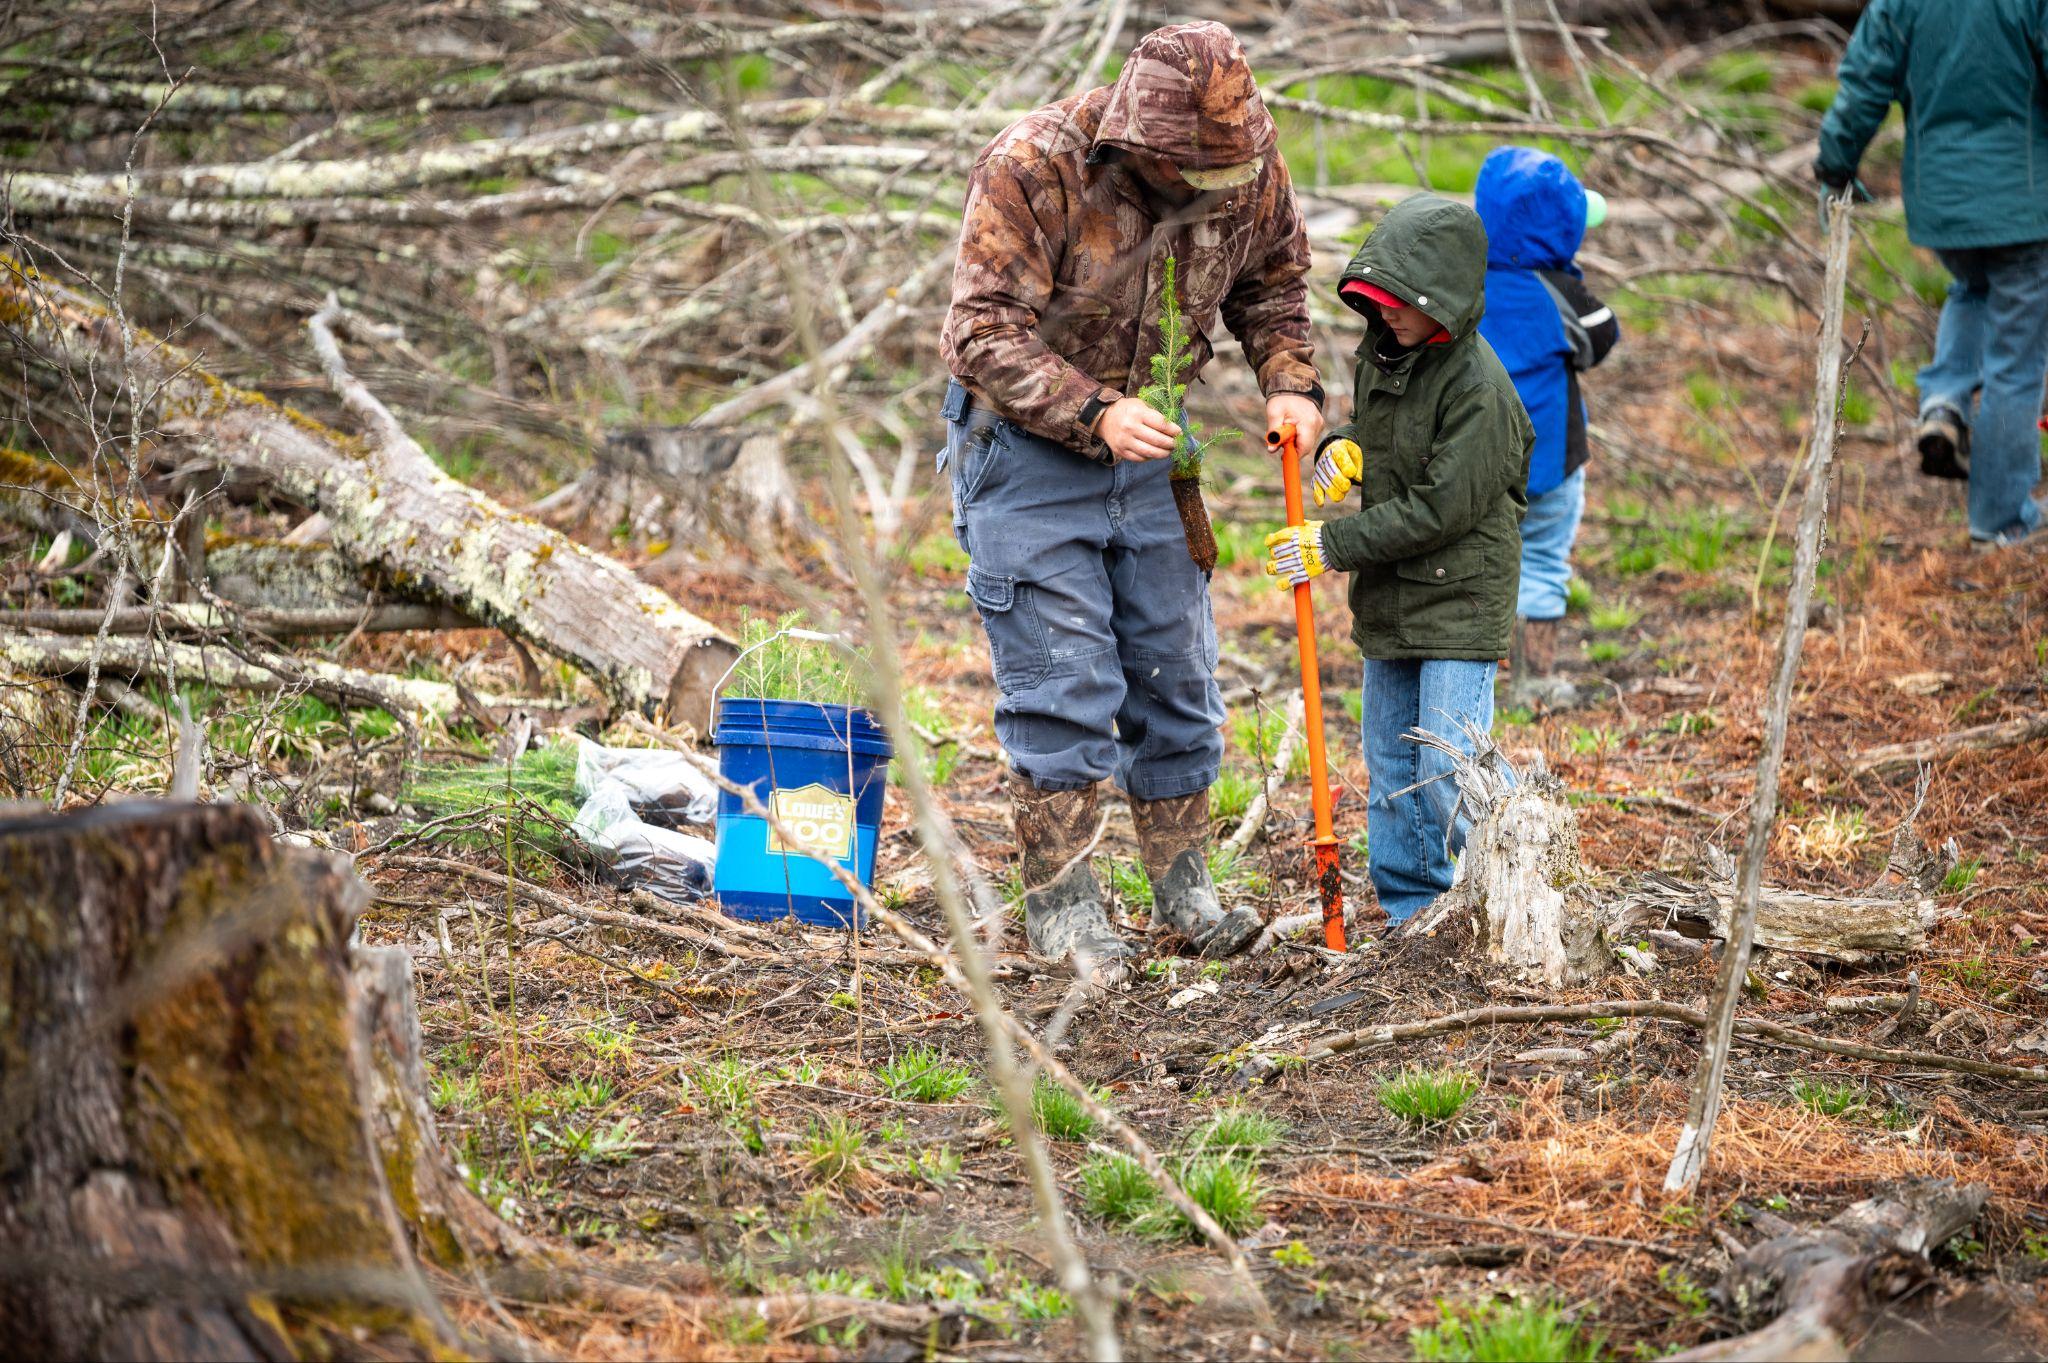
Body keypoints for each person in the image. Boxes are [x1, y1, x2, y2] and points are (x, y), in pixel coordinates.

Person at [940, 21, 1326, 976]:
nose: (1211, 191)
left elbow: (1275, 281)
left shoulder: (1249, 158)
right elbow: (978, 331)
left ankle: (1186, 893)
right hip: (1025, 454)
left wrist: (1289, 377)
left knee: (1177, 675)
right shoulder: (1036, 165)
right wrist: (1093, 410)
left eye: (1224, 172)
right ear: (1144, 148)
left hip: (1154, 453)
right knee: (1064, 684)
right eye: (1189, 174)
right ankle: (1064, 910)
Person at [1264, 193, 1534, 924]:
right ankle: (1415, 911)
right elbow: (1384, 438)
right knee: (1391, 772)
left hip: (1459, 600)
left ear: (1443, 303)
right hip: (1392, 597)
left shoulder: (1481, 391)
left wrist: (1330, 544)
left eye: (1400, 306)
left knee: (1449, 764)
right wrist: (1343, 446)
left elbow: (1440, 510)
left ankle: (1526, 883)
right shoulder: (1384, 357)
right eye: (1375, 304)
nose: (1385, 317)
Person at [1816, 0, 2048, 548]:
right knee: (2016, 366)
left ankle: (1943, 399)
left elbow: (1864, 82)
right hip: (2025, 203)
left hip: (1942, 206)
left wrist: (1835, 164)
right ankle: (2001, 522)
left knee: (1970, 289)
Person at [1472, 146, 1621, 709]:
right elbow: (1603, 335)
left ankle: (1473, 683)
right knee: (1542, 561)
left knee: (1481, 562)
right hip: (1551, 464)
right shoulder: (1560, 294)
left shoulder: (1466, 286)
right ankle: (1532, 682)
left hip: (1478, 463)